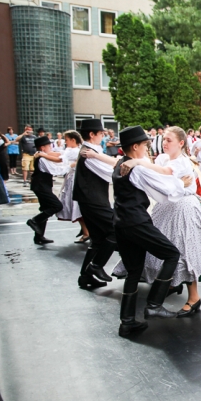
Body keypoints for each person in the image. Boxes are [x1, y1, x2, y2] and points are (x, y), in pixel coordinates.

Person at [109, 127, 201, 321]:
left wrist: (136, 161)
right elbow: (149, 172)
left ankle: (193, 297)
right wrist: (132, 161)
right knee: (167, 251)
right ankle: (169, 286)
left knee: (185, 250)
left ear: (181, 143)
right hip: (167, 207)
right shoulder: (161, 159)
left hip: (184, 207)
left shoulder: (183, 162)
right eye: (164, 140)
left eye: (169, 140)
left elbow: (164, 173)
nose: (164, 143)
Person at [73, 119, 119, 290]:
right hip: (92, 200)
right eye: (101, 133)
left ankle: (85, 276)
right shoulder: (88, 153)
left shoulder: (91, 151)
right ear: (92, 134)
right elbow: (109, 174)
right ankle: (96, 265)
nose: (103, 136)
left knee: (98, 239)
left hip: (91, 199)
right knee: (115, 229)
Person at [25, 136, 69, 245]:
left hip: (42, 185)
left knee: (46, 208)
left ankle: (39, 237)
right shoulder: (42, 159)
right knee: (56, 206)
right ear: (42, 147)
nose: (51, 147)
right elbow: (55, 170)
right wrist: (69, 166)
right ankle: (34, 221)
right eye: (49, 146)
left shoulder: (43, 156)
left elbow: (58, 155)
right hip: (41, 186)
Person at [53, 131, 90, 244]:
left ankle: (86, 232)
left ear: (73, 140)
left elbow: (60, 158)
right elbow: (60, 155)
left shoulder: (75, 151)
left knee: (76, 205)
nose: (66, 142)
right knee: (75, 205)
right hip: (72, 178)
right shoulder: (72, 150)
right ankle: (85, 230)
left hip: (74, 179)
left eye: (67, 140)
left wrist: (43, 155)